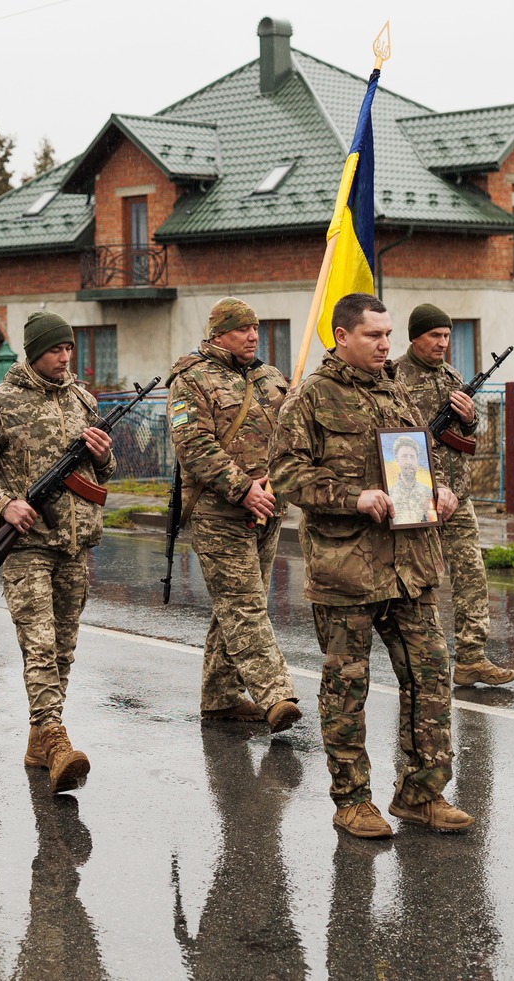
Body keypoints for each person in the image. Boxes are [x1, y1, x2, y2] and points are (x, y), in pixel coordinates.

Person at [270, 292, 469, 839]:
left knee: (430, 677)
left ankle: (421, 794)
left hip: (411, 566)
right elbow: (285, 474)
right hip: (347, 570)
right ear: (342, 337)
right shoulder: (311, 397)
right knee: (346, 688)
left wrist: (441, 493)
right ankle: (353, 799)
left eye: (387, 335)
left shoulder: (397, 393)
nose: (386, 344)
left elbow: (418, 465)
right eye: (373, 336)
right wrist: (350, 497)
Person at [0, 310, 115, 794]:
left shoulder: (83, 399)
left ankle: (38, 739)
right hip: (27, 547)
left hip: (75, 544)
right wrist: (5, 503)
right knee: (39, 647)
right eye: (55, 350)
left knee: (63, 650)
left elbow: (105, 473)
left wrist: (103, 455)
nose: (64, 358)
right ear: (33, 351)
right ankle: (56, 740)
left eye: (68, 349)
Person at [167, 298, 301, 734]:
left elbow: (291, 437)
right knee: (244, 607)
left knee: (242, 602)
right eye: (242, 329)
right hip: (218, 511)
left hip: (270, 507)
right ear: (218, 334)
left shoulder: (270, 377)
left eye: (256, 329)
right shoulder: (192, 379)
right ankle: (275, 694)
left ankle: (220, 698)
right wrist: (243, 488)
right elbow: (194, 445)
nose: (252, 336)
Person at [392, 304, 514, 689]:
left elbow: (468, 434)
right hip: (414, 492)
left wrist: (468, 418)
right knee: (417, 580)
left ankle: (471, 657)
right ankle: (417, 662)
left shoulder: (451, 375)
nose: (443, 343)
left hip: (457, 496)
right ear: (416, 336)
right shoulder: (394, 376)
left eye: (447, 336)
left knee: (471, 575)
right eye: (435, 336)